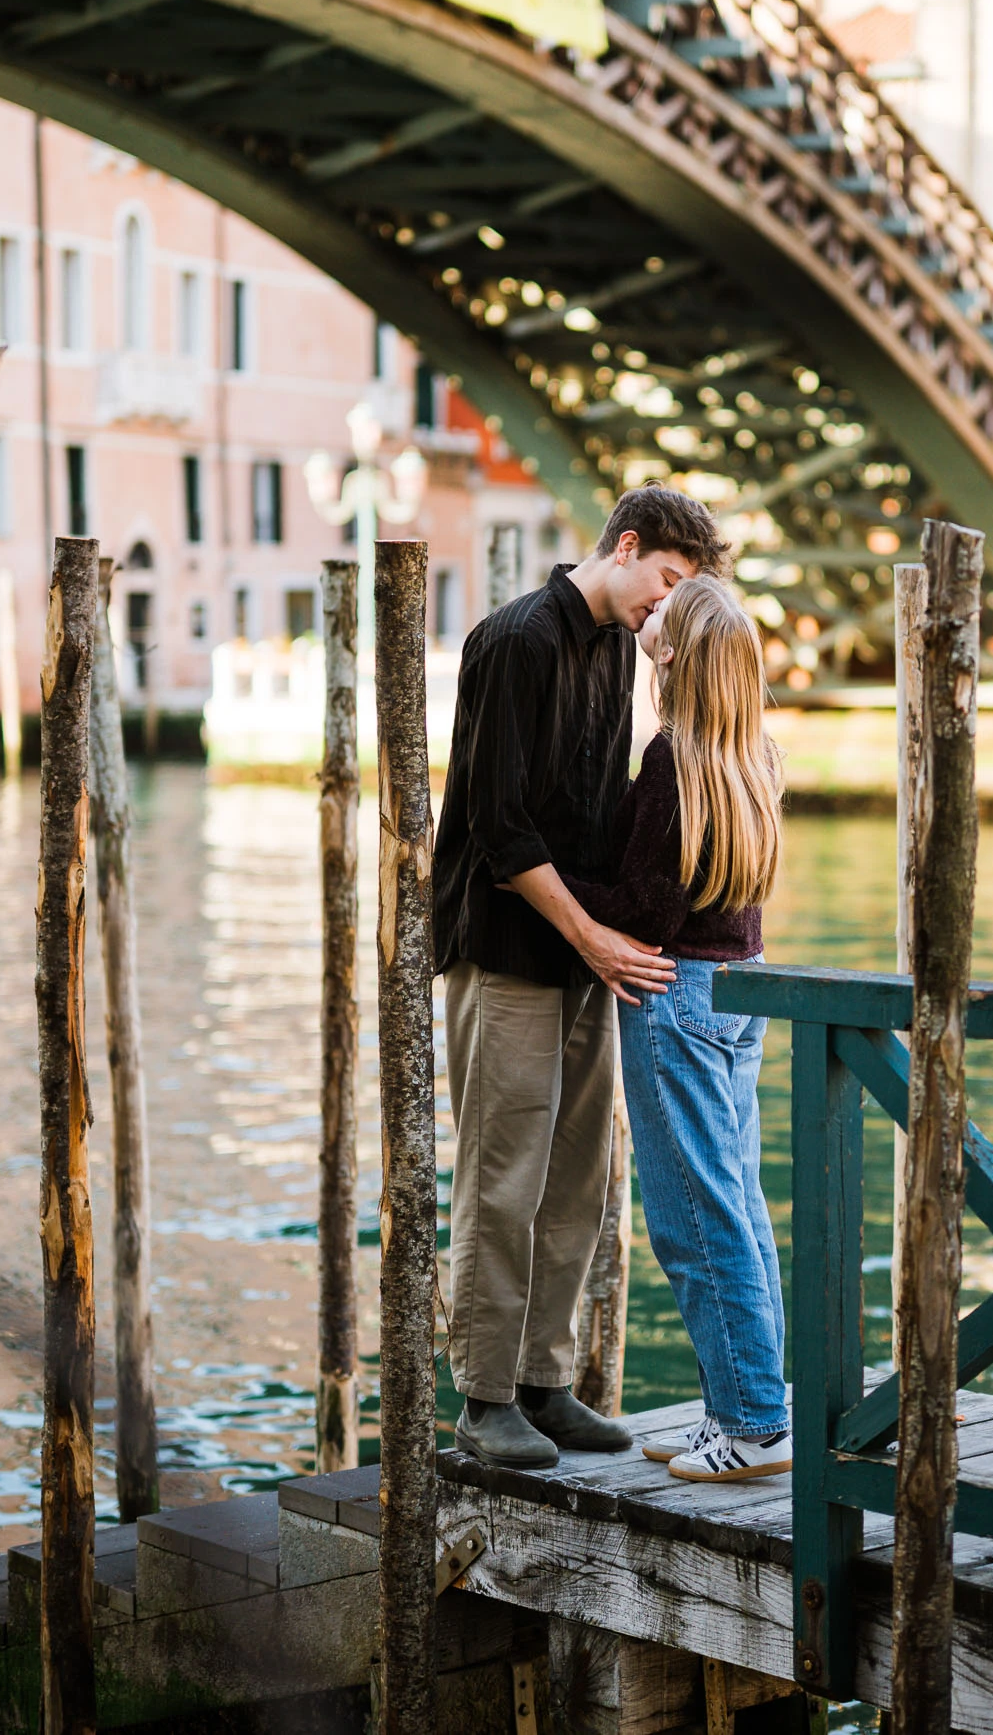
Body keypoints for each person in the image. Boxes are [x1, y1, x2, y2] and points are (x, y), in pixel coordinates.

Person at [434, 486, 730, 1469]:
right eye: (668, 581)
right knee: (501, 1176)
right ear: (628, 546)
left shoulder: (619, 649)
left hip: (584, 953)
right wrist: (595, 939)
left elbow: (607, 814)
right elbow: (498, 827)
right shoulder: (514, 640)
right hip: (509, 946)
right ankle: (483, 1400)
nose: (668, 604)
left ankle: (545, 1384)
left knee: (576, 1182)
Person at [561, 575, 791, 1481]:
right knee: (737, 1205)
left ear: (682, 664)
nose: (648, 645)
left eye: (662, 639)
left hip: (675, 997)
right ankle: (740, 1403)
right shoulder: (752, 755)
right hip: (740, 990)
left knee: (694, 1220)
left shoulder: (672, 761)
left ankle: (754, 1423)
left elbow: (642, 911)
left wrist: (539, 874)